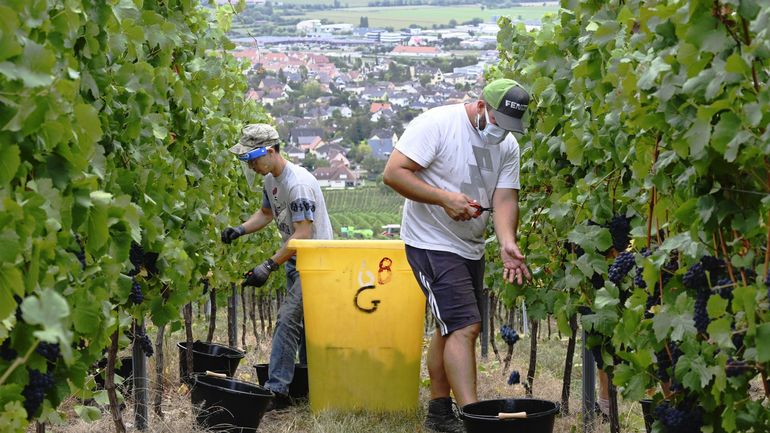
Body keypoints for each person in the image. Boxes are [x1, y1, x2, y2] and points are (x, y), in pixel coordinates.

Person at [383, 78, 532, 433]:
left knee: (449, 327)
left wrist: (507, 241)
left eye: (510, 128)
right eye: (498, 122)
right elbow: (393, 173)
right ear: (482, 106)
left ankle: (438, 413)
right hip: (430, 241)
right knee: (466, 326)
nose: (502, 133)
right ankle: (474, 418)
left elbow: (505, 198)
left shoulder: (507, 145)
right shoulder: (436, 124)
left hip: (470, 244)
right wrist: (444, 198)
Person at [221, 123, 333, 410]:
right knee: (310, 325)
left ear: (270, 151)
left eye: (253, 159)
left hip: (316, 262)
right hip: (297, 260)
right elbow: (266, 213)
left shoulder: (298, 185)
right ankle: (312, 386)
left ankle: (276, 391)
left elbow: (303, 234)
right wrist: (240, 229)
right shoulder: (271, 179)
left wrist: (268, 266)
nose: (252, 165)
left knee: (286, 320)